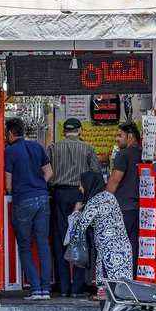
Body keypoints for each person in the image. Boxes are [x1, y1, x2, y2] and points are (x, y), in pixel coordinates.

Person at [71, 171, 133, 311]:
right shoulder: (109, 197)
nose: (80, 188)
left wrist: (76, 212)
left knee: (106, 292)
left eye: (82, 184)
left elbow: (77, 231)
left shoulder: (94, 203)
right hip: (122, 251)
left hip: (109, 256)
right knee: (117, 291)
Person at [46, 118, 102, 298]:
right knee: (80, 240)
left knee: (60, 239)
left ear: (64, 132)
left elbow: (45, 172)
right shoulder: (88, 149)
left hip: (59, 196)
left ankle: (63, 288)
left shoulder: (54, 148)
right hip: (81, 196)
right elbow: (96, 175)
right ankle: (78, 287)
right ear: (80, 131)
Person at [5, 117, 54, 300]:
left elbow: (8, 184)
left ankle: (35, 289)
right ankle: (46, 289)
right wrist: (39, 184)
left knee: (25, 246)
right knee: (43, 245)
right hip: (42, 199)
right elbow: (49, 173)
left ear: (10, 133)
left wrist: (23, 188)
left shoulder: (10, 152)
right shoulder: (37, 147)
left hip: (23, 201)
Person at [106, 122, 142, 280]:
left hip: (122, 208)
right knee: (133, 247)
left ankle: (119, 283)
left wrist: (104, 203)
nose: (117, 139)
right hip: (138, 208)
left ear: (130, 136)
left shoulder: (123, 155)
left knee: (117, 248)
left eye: (119, 135)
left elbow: (114, 181)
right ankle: (132, 281)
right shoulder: (143, 154)